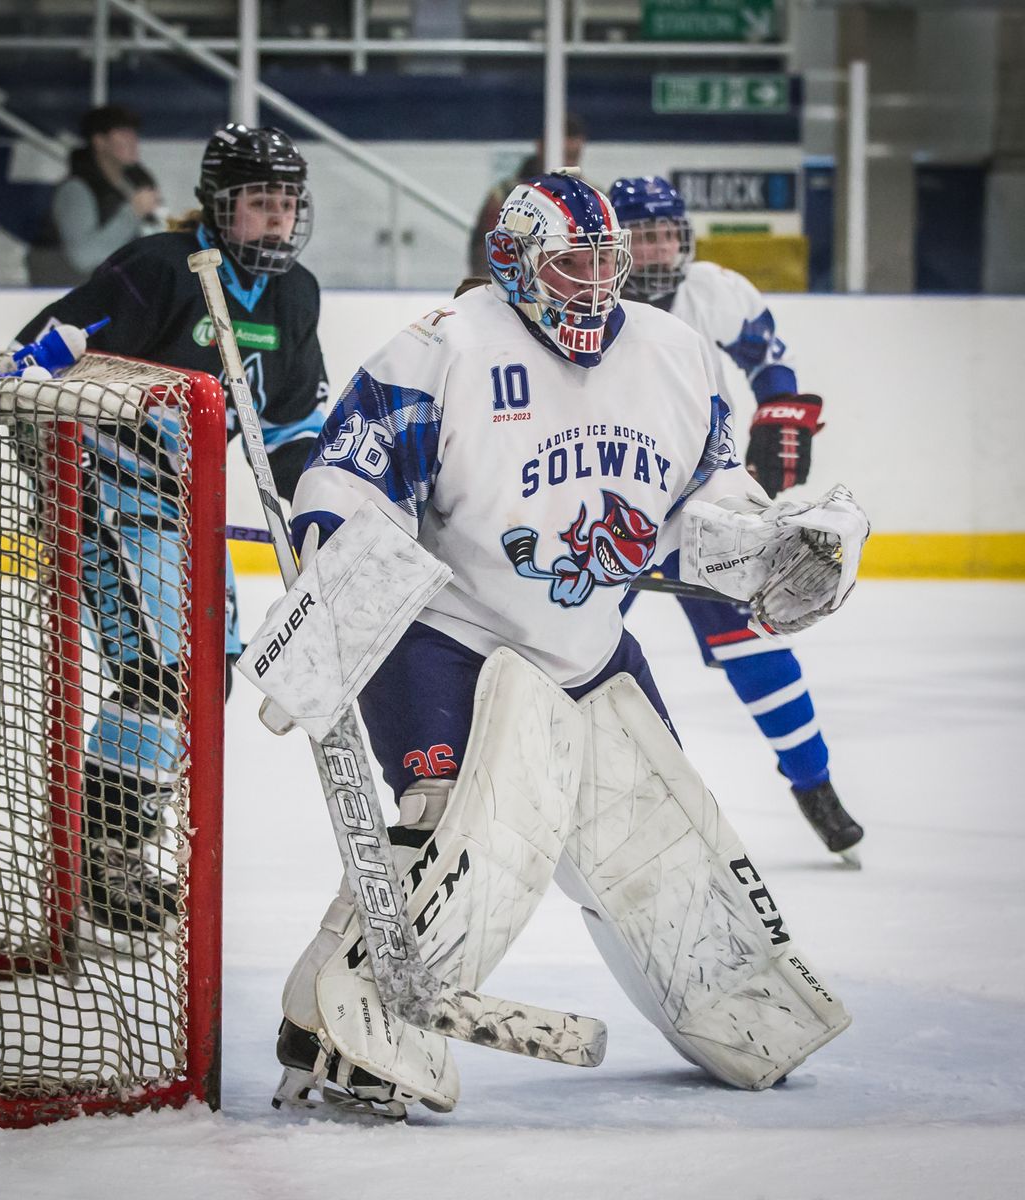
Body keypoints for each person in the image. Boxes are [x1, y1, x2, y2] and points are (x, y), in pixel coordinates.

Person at [269, 173, 869, 1119]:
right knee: (444, 824)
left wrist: (762, 546)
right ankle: (348, 1032)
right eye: (569, 265)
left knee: (649, 828)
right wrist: (334, 559)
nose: (593, 288)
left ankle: (732, 1009)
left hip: (589, 642)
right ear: (513, 261)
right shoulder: (444, 348)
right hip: (446, 630)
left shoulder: (677, 355)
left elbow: (700, 503)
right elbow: (349, 476)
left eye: (607, 265)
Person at [16, 122, 328, 932]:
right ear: (219, 207)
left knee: (204, 686)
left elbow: (290, 429)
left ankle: (117, 845)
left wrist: (322, 506)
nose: (276, 221)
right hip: (107, 503)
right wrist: (47, 456)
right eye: (260, 204)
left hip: (192, 518)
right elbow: (42, 347)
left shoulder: (297, 295)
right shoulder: (162, 268)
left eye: (287, 205)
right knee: (157, 679)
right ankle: (104, 863)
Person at [607, 175, 863, 860]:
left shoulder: (707, 293)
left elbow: (768, 359)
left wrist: (780, 414)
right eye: (644, 236)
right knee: (567, 642)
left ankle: (814, 783)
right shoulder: (586, 297)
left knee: (754, 640)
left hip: (700, 494)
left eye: (668, 234)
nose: (660, 250)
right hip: (607, 500)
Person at [27, 104, 164, 287]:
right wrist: (132, 213)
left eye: (133, 133)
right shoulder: (76, 189)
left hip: (119, 292)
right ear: (99, 142)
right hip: (73, 295)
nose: (132, 139)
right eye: (122, 132)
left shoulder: (135, 183)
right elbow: (84, 257)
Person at [467, 113, 587, 274]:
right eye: (564, 155)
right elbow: (484, 252)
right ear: (541, 147)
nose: (566, 163)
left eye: (572, 157)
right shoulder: (505, 195)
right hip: (518, 288)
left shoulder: (590, 196)